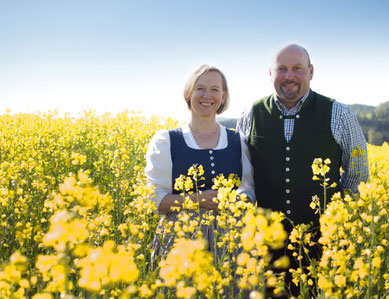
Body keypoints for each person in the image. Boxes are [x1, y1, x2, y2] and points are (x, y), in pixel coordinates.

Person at [236, 44, 369, 296]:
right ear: (270, 74)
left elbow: (357, 175)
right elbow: (243, 178)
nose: (289, 76)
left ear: (311, 71)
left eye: (297, 68)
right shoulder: (250, 113)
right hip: (265, 245)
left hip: (325, 242)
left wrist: (339, 222)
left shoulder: (340, 113)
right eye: (282, 69)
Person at [145, 64, 255, 266]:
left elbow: (248, 189)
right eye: (200, 88)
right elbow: (155, 199)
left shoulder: (237, 140)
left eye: (215, 89)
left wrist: (237, 199)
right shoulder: (166, 141)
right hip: (180, 240)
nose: (207, 95)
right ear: (188, 94)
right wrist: (198, 199)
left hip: (230, 240)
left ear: (223, 96)